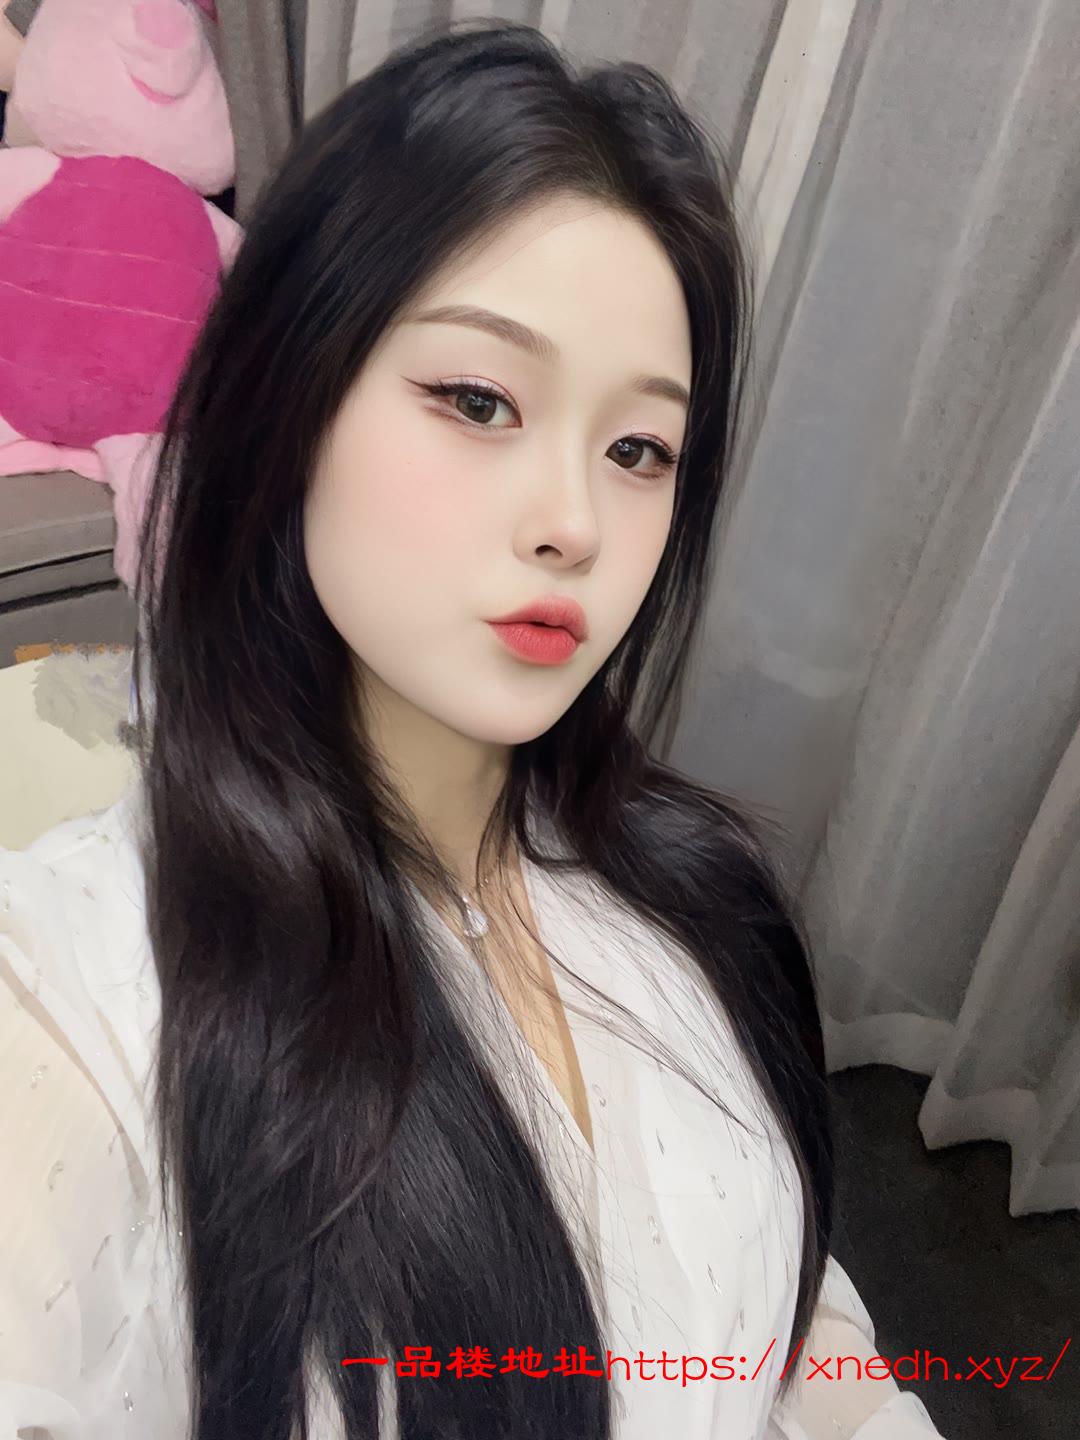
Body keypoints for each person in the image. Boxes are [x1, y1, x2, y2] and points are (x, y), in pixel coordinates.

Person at [0, 18, 948, 1440]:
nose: (576, 522)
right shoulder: (79, 1013)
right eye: (480, 399)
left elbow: (788, 1308)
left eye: (639, 449)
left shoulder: (692, 884)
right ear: (291, 394)